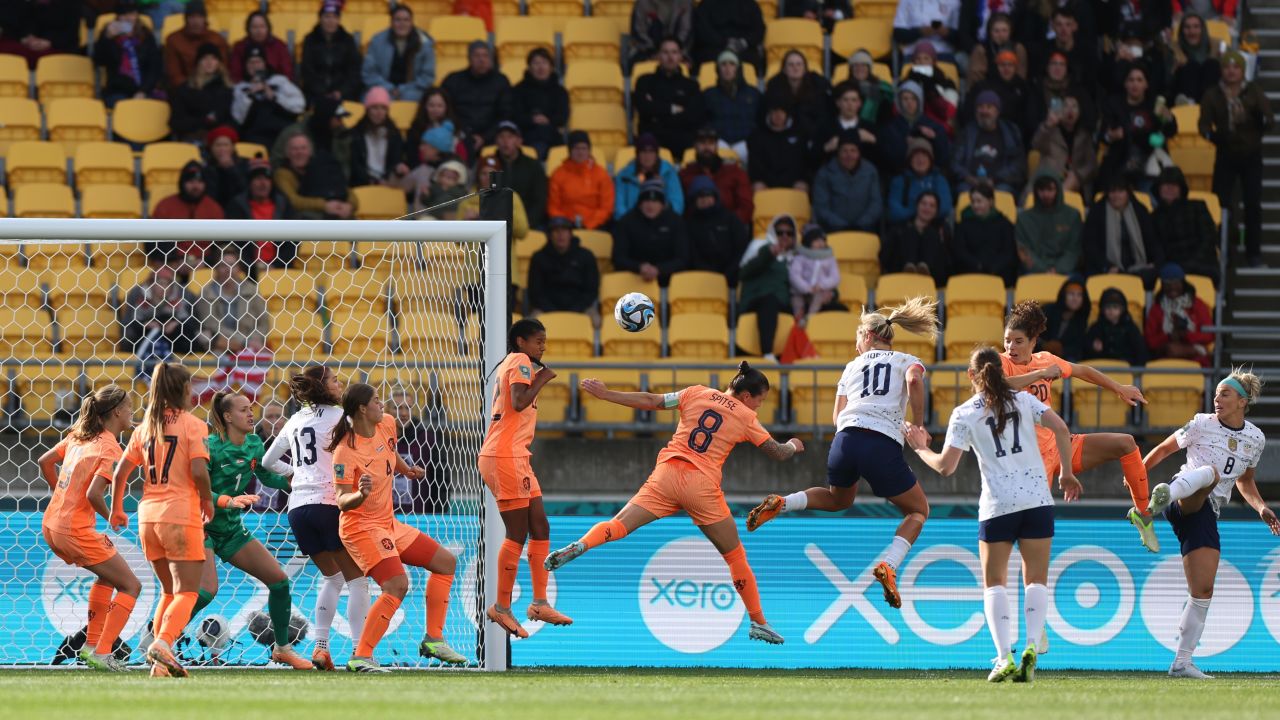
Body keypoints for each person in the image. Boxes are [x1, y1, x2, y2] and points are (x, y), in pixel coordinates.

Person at [546, 363, 805, 645]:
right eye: (760, 400)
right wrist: (792, 444)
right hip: (701, 484)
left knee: (618, 525)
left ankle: (583, 544)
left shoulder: (696, 392)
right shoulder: (745, 416)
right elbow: (777, 452)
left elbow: (651, 400)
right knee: (735, 557)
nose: (759, 406)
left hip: (667, 473)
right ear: (746, 397)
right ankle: (758, 621)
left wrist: (606, 394)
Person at [747, 299, 940, 608]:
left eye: (856, 341)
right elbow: (914, 381)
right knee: (918, 511)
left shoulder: (851, 367)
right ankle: (889, 565)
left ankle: (783, 503)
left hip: (845, 440)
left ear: (867, 336)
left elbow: (837, 418)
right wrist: (917, 425)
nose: (856, 347)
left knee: (839, 498)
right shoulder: (907, 359)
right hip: (881, 444)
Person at [906, 346, 1080, 682]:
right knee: (1036, 580)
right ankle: (1031, 646)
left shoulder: (965, 413)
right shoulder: (1024, 401)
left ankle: (1004, 658)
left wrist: (920, 447)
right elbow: (1060, 428)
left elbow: (945, 467)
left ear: (971, 376)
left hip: (998, 505)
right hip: (1037, 500)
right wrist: (1067, 473)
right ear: (1001, 371)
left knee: (995, 584)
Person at [1142, 369, 1276, 679]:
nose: (1217, 398)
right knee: (1211, 474)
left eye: (1224, 394)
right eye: (1216, 394)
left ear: (1242, 401)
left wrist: (1261, 507)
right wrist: (1137, 477)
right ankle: (1155, 502)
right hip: (1183, 497)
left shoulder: (1255, 438)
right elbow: (1164, 449)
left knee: (1202, 589)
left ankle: (1182, 662)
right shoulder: (1201, 423)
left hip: (1207, 511)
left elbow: (1246, 480)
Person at [1000, 300, 1157, 560]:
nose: (1010, 347)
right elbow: (998, 384)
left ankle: (1142, 513)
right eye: (1007, 340)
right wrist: (1040, 375)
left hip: (1060, 447)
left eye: (1017, 341)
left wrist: (1119, 388)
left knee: (1126, 443)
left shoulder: (1046, 360)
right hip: (1027, 461)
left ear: (1033, 340)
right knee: (1031, 535)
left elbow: (1083, 370)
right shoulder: (1001, 363)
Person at [329, 383, 467, 671]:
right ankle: (361, 656)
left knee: (445, 562)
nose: (384, 405)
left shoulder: (388, 425)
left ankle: (434, 638)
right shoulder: (345, 451)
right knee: (396, 584)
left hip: (388, 523)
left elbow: (390, 454)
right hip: (360, 527)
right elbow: (342, 501)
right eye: (377, 401)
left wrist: (406, 470)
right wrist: (361, 494)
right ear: (363, 409)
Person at [262, 367, 372, 671]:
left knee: (332, 577)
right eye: (334, 380)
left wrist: (293, 473)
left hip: (298, 508)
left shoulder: (295, 419)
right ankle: (360, 653)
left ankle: (321, 647)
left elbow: (268, 461)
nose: (340, 384)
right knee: (358, 579)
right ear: (323, 387)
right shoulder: (341, 417)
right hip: (329, 503)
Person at [109, 363, 214, 678]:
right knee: (188, 592)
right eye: (190, 386)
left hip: (148, 516)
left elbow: (120, 472)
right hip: (180, 513)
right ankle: (163, 643)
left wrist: (116, 509)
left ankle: (158, 665)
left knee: (168, 591)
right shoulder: (193, 425)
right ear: (182, 389)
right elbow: (198, 471)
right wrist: (207, 499)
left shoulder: (144, 429)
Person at [193, 392, 311, 670]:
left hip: (232, 530)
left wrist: (300, 482)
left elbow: (267, 476)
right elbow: (195, 490)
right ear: (227, 416)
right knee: (206, 592)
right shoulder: (208, 447)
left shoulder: (255, 445)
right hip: (202, 528)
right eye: (244, 409)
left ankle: (282, 649)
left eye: (251, 409)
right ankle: (161, 637)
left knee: (279, 581)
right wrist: (227, 501)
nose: (250, 414)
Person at [478, 320, 574, 637]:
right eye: (537, 341)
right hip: (504, 456)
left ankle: (539, 603)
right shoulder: (519, 361)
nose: (542, 346)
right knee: (517, 533)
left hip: (515, 455)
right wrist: (544, 377)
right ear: (520, 341)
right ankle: (501, 606)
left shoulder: (515, 362)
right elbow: (519, 402)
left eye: (544, 341)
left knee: (541, 526)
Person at [37, 385, 141, 672]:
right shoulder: (109, 446)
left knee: (107, 578)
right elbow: (94, 495)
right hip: (75, 530)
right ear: (118, 412)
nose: (132, 412)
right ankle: (103, 652)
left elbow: (44, 461)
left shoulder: (78, 436)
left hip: (52, 523)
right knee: (131, 585)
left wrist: (58, 492)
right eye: (130, 407)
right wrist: (113, 516)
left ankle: (91, 646)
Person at [1200, 50, 1273, 268]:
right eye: (1227, 67)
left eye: (1236, 67)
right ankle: (1224, 250)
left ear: (1242, 70)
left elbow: (1269, 120)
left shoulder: (1253, 92)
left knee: (1252, 204)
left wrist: (1253, 120)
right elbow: (1203, 125)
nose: (1231, 71)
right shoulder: (1212, 95)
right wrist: (1216, 136)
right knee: (1222, 204)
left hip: (1251, 154)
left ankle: (1253, 253)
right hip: (1225, 153)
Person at [1099, 66, 1177, 191]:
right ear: (1125, 84)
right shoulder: (1113, 104)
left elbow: (1171, 132)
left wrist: (1168, 119)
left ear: (1146, 84)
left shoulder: (1155, 105)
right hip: (1120, 161)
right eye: (1131, 80)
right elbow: (1103, 137)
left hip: (1149, 160)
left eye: (1140, 80)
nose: (1135, 84)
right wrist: (1111, 135)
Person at [633, 38, 704, 160]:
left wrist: (657, 112)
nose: (670, 57)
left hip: (681, 140)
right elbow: (644, 109)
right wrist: (673, 108)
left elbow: (692, 117)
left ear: (681, 56)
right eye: (665, 52)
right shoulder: (644, 81)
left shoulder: (691, 85)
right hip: (653, 139)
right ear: (658, 55)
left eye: (674, 52)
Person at [1083, 177, 1162, 284]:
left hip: (1139, 267)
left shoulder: (1140, 211)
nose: (1116, 196)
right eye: (1112, 191)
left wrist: (1155, 263)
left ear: (1127, 193)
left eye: (1120, 191)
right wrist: (1107, 266)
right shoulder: (1097, 212)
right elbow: (1090, 246)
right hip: (1107, 268)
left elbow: (1152, 240)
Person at [738, 215, 796, 360]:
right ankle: (767, 352)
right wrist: (768, 254)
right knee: (769, 301)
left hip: (783, 301)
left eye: (789, 233)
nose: (784, 236)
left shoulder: (797, 256)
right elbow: (744, 272)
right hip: (756, 299)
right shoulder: (758, 246)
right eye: (779, 232)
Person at [612, 180, 690, 286]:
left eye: (655, 201)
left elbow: (682, 258)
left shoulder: (675, 222)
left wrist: (660, 269)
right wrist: (639, 267)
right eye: (646, 200)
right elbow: (619, 257)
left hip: (670, 282)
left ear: (662, 205)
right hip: (632, 281)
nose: (650, 205)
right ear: (640, 204)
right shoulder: (626, 222)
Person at [527, 218, 602, 326]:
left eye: (564, 230)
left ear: (570, 234)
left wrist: (575, 309)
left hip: (581, 307)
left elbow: (591, 290)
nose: (560, 234)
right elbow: (535, 292)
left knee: (596, 321)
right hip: (546, 308)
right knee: (530, 324)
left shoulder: (586, 256)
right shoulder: (539, 257)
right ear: (550, 235)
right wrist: (552, 311)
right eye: (556, 231)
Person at [121, 263, 209, 356]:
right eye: (160, 283)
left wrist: (177, 324)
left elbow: (190, 322)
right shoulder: (140, 298)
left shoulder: (179, 299)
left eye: (167, 284)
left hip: (173, 339)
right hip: (146, 336)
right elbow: (130, 322)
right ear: (151, 284)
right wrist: (145, 325)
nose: (163, 288)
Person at [226, 157, 299, 269]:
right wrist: (251, 267)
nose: (263, 183)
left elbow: (293, 242)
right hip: (244, 271)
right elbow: (233, 243)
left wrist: (276, 265)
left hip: (279, 270)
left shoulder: (284, 205)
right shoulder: (237, 206)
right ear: (250, 182)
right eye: (258, 178)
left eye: (267, 179)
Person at [1151, 167, 1219, 283]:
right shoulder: (1154, 217)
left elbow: (1208, 239)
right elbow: (1156, 248)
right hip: (1170, 268)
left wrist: (1191, 264)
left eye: (1174, 184)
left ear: (1181, 188)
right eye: (1165, 184)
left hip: (1201, 265)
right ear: (1158, 189)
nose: (1169, 188)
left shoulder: (1198, 207)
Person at [150, 161, 223, 266]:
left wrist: (205, 263)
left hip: (206, 267)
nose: (195, 186)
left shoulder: (214, 208)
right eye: (191, 181)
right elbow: (153, 241)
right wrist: (174, 261)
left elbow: (221, 244)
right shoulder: (165, 205)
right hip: (170, 265)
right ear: (182, 183)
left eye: (199, 182)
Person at [231, 47, 306, 148]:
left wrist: (274, 96)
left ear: (264, 64)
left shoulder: (280, 81)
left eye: (258, 62)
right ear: (246, 66)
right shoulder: (241, 88)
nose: (255, 66)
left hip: (282, 131)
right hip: (255, 135)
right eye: (251, 62)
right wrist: (249, 96)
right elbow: (238, 118)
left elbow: (299, 105)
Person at [952, 91, 1025, 194]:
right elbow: (955, 163)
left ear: (997, 111)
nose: (984, 111)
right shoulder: (967, 133)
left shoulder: (1011, 133)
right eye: (980, 107)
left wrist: (995, 180)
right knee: (963, 192)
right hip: (970, 183)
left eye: (989, 107)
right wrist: (969, 178)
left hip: (999, 184)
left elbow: (1017, 165)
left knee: (1004, 194)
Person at [92, 1, 163, 108]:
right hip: (117, 90)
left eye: (132, 14)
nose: (128, 18)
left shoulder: (146, 36)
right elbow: (98, 61)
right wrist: (107, 39)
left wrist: (143, 91)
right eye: (124, 15)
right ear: (118, 17)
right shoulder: (109, 35)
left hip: (143, 89)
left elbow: (154, 68)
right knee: (124, 106)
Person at [197, 249, 269, 353]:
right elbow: (211, 324)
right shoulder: (206, 292)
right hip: (220, 346)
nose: (228, 269)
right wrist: (244, 341)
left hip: (252, 345)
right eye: (223, 265)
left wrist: (254, 338)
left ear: (239, 268)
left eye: (232, 265)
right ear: (216, 269)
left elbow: (264, 322)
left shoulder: (252, 290)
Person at [684, 176, 750, 287]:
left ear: (715, 197)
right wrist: (708, 274)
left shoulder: (730, 219)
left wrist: (729, 272)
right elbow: (691, 254)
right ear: (694, 200)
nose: (704, 199)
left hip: (732, 276)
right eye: (700, 196)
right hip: (701, 279)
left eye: (708, 195)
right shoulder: (689, 224)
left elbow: (741, 248)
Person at [1028, 90, 1097, 198]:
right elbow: (1036, 145)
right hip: (1049, 179)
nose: (1070, 110)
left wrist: (1077, 175)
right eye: (1066, 106)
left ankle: (1057, 198)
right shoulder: (1050, 130)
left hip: (1075, 184)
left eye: (1074, 107)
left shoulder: (1085, 136)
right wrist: (1048, 125)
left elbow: (1091, 165)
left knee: (1073, 180)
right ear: (1059, 110)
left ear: (1079, 112)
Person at [362, 4, 436, 103]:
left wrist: (402, 89)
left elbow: (427, 76)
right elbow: (369, 72)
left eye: (406, 20)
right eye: (398, 20)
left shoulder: (424, 43)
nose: (402, 24)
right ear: (391, 22)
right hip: (382, 89)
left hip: (413, 91)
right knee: (375, 99)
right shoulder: (377, 41)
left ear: (411, 22)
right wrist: (389, 88)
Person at [442, 41, 510, 148]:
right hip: (458, 135)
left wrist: (485, 137)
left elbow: (505, 114)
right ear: (469, 58)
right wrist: (464, 134)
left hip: (492, 137)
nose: (481, 60)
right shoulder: (453, 80)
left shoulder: (501, 81)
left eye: (485, 56)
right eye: (476, 55)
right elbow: (447, 110)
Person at [679, 126, 752, 226]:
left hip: (728, 229)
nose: (707, 148)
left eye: (711, 143)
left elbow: (746, 206)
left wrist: (730, 226)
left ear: (717, 146)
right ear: (695, 146)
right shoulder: (685, 173)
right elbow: (680, 207)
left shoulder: (734, 172)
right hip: (695, 229)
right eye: (702, 143)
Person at [504, 48, 569, 160]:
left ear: (551, 66)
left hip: (552, 135)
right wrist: (532, 119)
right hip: (526, 135)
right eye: (536, 63)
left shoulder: (560, 91)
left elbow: (563, 116)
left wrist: (548, 120)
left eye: (544, 63)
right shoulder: (518, 90)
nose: (541, 67)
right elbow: (514, 115)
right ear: (529, 67)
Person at [1145, 263, 1214, 366]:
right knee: (1171, 349)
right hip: (1165, 356)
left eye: (1176, 283)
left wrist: (1186, 335)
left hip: (1196, 357)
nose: (1172, 287)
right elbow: (1150, 340)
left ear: (1183, 284)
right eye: (1168, 284)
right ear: (1163, 286)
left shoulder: (1197, 304)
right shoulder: (1157, 308)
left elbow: (1209, 335)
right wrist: (1169, 336)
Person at [812, 132, 883, 233]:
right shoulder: (825, 173)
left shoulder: (870, 171)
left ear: (859, 153)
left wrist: (860, 225)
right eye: (844, 151)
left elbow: (876, 203)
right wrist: (842, 226)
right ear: (838, 153)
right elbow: (821, 207)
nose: (849, 155)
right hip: (833, 232)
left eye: (853, 150)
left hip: (864, 231)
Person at [275, 133, 356, 220]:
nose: (299, 152)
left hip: (331, 213)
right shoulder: (282, 174)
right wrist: (324, 206)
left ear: (310, 152)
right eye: (295, 149)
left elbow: (344, 189)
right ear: (287, 153)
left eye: (303, 148)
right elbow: (293, 201)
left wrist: (349, 205)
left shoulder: (320, 166)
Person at [879, 81, 950, 178]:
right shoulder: (890, 128)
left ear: (919, 101)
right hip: (900, 177)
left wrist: (935, 138)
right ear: (899, 101)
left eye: (913, 98)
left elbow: (944, 157)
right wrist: (907, 145)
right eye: (905, 99)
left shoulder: (934, 127)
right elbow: (888, 159)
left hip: (929, 177)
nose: (909, 102)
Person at [701, 51, 761, 165]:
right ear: (718, 69)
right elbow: (703, 121)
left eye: (732, 64)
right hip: (719, 143)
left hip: (746, 143)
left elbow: (760, 121)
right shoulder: (708, 94)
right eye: (723, 64)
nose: (727, 68)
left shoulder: (754, 94)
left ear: (738, 69)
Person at [951, 183, 1018, 285]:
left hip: (1000, 275)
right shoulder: (963, 225)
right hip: (970, 274)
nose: (975, 205)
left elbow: (1008, 252)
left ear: (990, 202)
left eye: (979, 201)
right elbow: (960, 252)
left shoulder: (1004, 224)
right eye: (973, 202)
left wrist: (994, 267)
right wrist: (978, 265)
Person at [1016, 171, 1082, 275]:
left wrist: (1058, 269)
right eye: (1041, 190)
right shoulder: (1023, 219)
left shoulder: (1073, 216)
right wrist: (1042, 270)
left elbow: (1074, 249)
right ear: (1035, 191)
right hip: (1034, 271)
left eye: (1050, 190)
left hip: (1066, 271)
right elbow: (1023, 250)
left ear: (1058, 190)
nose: (1046, 194)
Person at [169, 42, 234, 144]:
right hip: (192, 137)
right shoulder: (185, 89)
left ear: (219, 63)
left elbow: (232, 119)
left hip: (221, 139)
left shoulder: (227, 90)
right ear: (198, 62)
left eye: (213, 58)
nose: (209, 62)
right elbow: (177, 122)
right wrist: (203, 121)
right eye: (205, 58)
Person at [300, 1, 363, 105]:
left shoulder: (348, 40)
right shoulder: (310, 40)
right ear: (320, 19)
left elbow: (354, 71)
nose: (331, 21)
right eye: (327, 17)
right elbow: (307, 72)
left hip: (343, 94)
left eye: (334, 17)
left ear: (339, 20)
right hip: (316, 94)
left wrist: (341, 92)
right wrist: (322, 92)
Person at [548, 131, 614, 230]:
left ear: (589, 150)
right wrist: (566, 225)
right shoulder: (558, 174)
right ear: (570, 150)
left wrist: (589, 225)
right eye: (576, 148)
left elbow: (606, 207)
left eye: (584, 148)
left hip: (596, 226)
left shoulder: (601, 174)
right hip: (564, 227)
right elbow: (553, 207)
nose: (580, 152)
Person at [881, 191, 950, 285]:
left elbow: (947, 260)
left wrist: (941, 241)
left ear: (936, 211)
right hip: (900, 276)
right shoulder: (900, 227)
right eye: (924, 204)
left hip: (933, 279)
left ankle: (925, 269)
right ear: (917, 206)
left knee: (930, 234)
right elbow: (885, 255)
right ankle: (909, 267)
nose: (927, 208)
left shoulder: (941, 230)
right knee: (911, 232)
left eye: (932, 205)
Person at [962, 49, 1032, 138]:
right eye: (1002, 65)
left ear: (1015, 68)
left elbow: (1028, 118)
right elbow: (968, 112)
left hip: (1013, 135)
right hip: (982, 132)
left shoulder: (1023, 88)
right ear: (996, 67)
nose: (1006, 69)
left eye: (1010, 65)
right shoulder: (982, 87)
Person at [614, 133, 684, 219]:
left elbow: (677, 203)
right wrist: (631, 223)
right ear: (637, 154)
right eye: (643, 151)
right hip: (632, 224)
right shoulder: (624, 176)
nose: (647, 156)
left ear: (656, 154)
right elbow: (619, 207)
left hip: (662, 221)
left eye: (651, 151)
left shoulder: (669, 173)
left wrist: (663, 219)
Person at [763, 50, 832, 137]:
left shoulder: (818, 86)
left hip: (813, 135)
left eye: (799, 64)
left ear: (805, 68)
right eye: (791, 65)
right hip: (783, 137)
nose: (795, 68)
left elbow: (823, 116)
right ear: (784, 69)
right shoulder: (774, 88)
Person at [493, 121, 548, 230]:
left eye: (510, 137)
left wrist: (526, 223)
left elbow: (539, 200)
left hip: (529, 224)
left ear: (519, 141)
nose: (505, 141)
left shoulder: (533, 166)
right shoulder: (488, 165)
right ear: (496, 141)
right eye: (501, 137)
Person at [162, 1, 228, 90]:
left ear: (205, 19)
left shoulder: (217, 39)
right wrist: (192, 90)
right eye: (192, 17)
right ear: (186, 19)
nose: (196, 22)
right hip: (184, 90)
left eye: (200, 17)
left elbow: (223, 70)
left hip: (214, 89)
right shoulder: (174, 40)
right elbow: (174, 74)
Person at [814, 81, 881, 169]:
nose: (850, 104)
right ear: (838, 103)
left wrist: (874, 141)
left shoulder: (870, 127)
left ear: (859, 103)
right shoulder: (825, 127)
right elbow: (813, 159)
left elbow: (883, 161)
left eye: (854, 100)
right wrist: (826, 148)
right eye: (845, 100)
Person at [350, 87, 408, 188]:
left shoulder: (394, 133)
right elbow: (354, 164)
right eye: (375, 108)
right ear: (368, 110)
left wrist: (398, 169)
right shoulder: (357, 133)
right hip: (362, 183)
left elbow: (396, 160)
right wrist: (370, 180)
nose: (379, 112)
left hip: (387, 182)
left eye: (383, 108)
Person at [747, 101, 810, 193]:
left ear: (787, 114)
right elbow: (755, 165)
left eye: (782, 112)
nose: (778, 115)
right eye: (774, 111)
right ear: (769, 113)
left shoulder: (799, 134)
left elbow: (802, 162)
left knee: (802, 187)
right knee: (758, 187)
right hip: (766, 180)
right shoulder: (758, 136)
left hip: (792, 179)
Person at [888, 138, 952, 225]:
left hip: (934, 227)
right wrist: (921, 212)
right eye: (916, 155)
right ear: (909, 160)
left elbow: (945, 208)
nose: (920, 159)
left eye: (924, 155)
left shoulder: (939, 180)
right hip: (906, 227)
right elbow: (894, 212)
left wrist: (923, 214)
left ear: (931, 160)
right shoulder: (899, 181)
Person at [789, 225, 842, 325]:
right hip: (801, 291)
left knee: (818, 298)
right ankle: (798, 321)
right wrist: (806, 288)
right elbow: (795, 275)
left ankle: (809, 319)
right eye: (817, 240)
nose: (821, 243)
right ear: (808, 242)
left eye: (822, 240)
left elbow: (835, 277)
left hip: (819, 291)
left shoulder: (829, 258)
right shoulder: (800, 257)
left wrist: (821, 285)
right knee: (796, 301)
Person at [903, 41, 959, 131]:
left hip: (938, 126)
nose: (922, 62)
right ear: (913, 62)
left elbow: (950, 113)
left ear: (933, 62)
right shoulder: (906, 82)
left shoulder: (946, 83)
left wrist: (930, 90)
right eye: (918, 59)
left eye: (926, 59)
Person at [692, 0, 764, 68]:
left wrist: (743, 42)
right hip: (714, 48)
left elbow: (758, 30)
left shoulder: (750, 4)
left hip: (743, 50)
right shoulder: (707, 3)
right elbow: (702, 29)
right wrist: (723, 42)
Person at [1169, 13, 1221, 107]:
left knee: (1212, 64)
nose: (1192, 32)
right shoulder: (1172, 49)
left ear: (1203, 29)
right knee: (1191, 66)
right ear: (1181, 30)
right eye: (1187, 27)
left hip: (1210, 98)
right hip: (1183, 95)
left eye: (1196, 27)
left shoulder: (1216, 46)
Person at [1085, 288, 1148, 365]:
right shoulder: (1096, 328)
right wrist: (1093, 348)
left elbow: (1140, 352)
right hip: (1101, 369)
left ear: (1122, 309)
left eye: (1115, 307)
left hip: (1125, 371)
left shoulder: (1131, 328)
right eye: (1108, 307)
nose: (1111, 310)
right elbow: (1085, 351)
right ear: (1102, 309)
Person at [405, 88, 465, 168]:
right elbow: (412, 157)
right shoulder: (416, 129)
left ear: (446, 107)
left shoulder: (456, 128)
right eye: (431, 105)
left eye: (440, 106)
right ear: (424, 107)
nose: (435, 110)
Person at [229, 11, 293, 83]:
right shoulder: (240, 47)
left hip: (276, 87)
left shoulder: (279, 46)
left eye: (262, 26)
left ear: (268, 27)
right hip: (246, 88)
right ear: (248, 29)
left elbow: (287, 73)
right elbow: (235, 74)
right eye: (254, 27)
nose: (259, 31)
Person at [968, 12, 1028, 85]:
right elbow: (976, 79)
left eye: (1004, 31)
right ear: (990, 32)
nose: (1001, 35)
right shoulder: (981, 49)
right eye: (996, 31)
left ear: (1010, 31)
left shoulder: (1018, 49)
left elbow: (1021, 76)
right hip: (987, 89)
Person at [628, 0, 693, 67]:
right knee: (639, 66)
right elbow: (638, 31)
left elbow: (686, 30)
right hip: (647, 50)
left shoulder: (685, 2)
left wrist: (673, 51)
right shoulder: (643, 3)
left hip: (678, 50)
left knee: (688, 65)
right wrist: (656, 52)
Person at [1040, 275, 1091, 361]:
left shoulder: (1081, 319)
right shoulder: (1047, 310)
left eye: (1079, 295)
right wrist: (1044, 345)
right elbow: (1030, 334)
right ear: (1064, 295)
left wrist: (1062, 351)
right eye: (1071, 294)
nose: (1075, 299)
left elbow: (1078, 347)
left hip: (1064, 361)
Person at [892, 0, 963, 60]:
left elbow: (961, 37)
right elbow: (898, 34)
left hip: (943, 53)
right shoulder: (907, 1)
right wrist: (920, 32)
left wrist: (946, 33)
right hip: (914, 54)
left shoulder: (954, 2)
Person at [849, 50, 895, 125]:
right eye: (856, 65)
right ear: (851, 69)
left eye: (864, 65)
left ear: (869, 68)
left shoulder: (881, 90)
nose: (859, 68)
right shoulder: (844, 88)